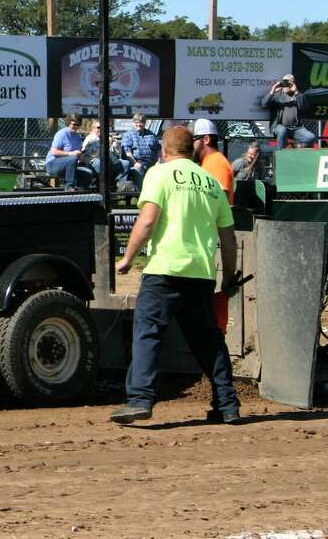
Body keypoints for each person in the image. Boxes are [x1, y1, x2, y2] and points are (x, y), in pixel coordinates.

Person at [110, 125, 242, 426]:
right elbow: (229, 237)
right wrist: (228, 277)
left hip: (164, 271)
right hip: (200, 274)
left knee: (148, 333)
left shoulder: (159, 174)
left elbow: (147, 221)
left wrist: (127, 259)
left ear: (164, 151)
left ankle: (141, 399)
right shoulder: (210, 182)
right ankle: (228, 404)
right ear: (190, 149)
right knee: (208, 340)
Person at [261, 74, 316, 149]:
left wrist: (296, 92)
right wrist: (272, 91)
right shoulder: (278, 95)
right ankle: (281, 155)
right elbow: (264, 104)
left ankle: (299, 153)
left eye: (289, 84)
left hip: (296, 128)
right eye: (284, 83)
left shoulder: (299, 96)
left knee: (310, 137)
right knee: (282, 130)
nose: (286, 86)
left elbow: (304, 109)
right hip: (279, 126)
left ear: (293, 84)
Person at [44, 114, 94, 191]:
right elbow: (54, 151)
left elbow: (77, 155)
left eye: (78, 124)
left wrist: (81, 157)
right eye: (74, 124)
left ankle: (82, 195)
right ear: (68, 123)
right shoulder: (62, 134)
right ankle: (69, 187)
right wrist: (71, 154)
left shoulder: (77, 137)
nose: (76, 127)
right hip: (52, 164)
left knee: (88, 173)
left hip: (69, 168)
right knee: (72, 158)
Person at [192, 118, 234, 204]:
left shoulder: (218, 163)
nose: (190, 144)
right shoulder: (206, 161)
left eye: (193, 140)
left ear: (206, 139)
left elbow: (221, 202)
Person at [120, 113, 161, 189]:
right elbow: (127, 152)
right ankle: (141, 195)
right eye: (136, 122)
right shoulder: (128, 135)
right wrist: (135, 163)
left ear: (145, 123)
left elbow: (158, 149)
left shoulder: (152, 135)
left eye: (141, 122)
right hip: (136, 163)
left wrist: (158, 161)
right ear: (133, 123)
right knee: (137, 170)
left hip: (152, 164)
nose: (139, 124)